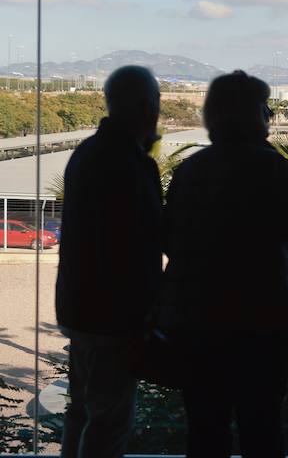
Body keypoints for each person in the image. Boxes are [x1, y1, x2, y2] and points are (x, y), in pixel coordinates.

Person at [163, 71, 288, 457]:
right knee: (261, 428)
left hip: (197, 323)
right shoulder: (269, 169)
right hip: (261, 323)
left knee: (204, 429)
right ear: (254, 116)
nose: (270, 115)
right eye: (266, 107)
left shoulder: (191, 170)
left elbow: (170, 240)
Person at [56, 65, 163, 458]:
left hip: (81, 309)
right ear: (145, 108)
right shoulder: (130, 165)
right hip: (113, 319)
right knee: (109, 424)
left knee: (83, 412)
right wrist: (141, 319)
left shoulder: (87, 154)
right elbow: (133, 249)